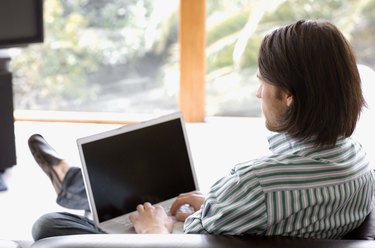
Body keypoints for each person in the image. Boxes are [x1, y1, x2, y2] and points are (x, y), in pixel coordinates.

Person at [30, 19, 375, 240]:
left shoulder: (254, 184)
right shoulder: (357, 158)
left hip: (181, 240)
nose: (257, 93)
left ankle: (70, 181)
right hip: (237, 226)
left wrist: (156, 232)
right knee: (146, 201)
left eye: (262, 83)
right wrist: (214, 205)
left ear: (288, 98)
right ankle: (71, 179)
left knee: (51, 226)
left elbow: (249, 201)